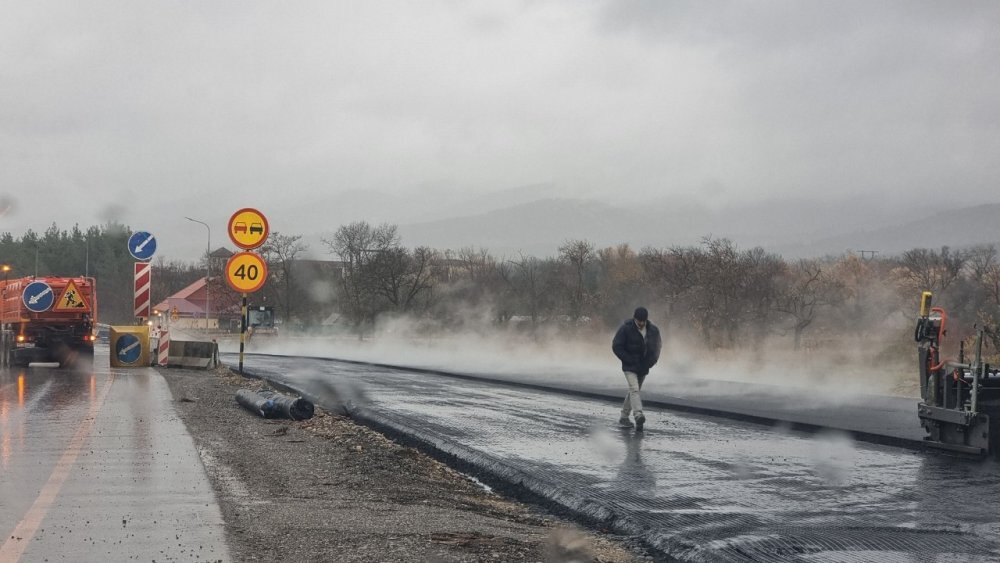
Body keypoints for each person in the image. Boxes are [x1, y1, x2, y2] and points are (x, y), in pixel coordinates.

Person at [612, 306, 662, 431]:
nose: (641, 323)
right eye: (639, 320)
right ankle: (638, 415)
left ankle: (624, 417)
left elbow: (657, 347)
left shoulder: (653, 331)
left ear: (646, 320)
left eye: (643, 321)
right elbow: (616, 346)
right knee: (634, 390)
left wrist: (650, 363)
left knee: (633, 391)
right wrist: (628, 359)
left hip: (643, 367)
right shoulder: (626, 328)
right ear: (634, 319)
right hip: (629, 366)